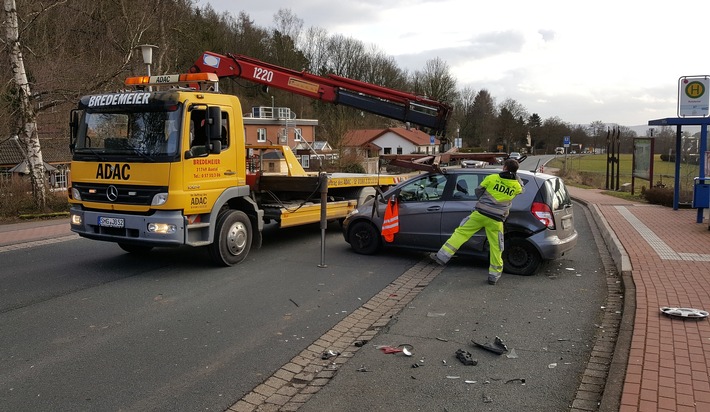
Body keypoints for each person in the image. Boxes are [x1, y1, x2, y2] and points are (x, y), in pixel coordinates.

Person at [430, 158, 524, 285]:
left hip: (480, 214)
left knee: (461, 233)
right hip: (496, 219)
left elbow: (478, 190)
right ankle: (493, 276)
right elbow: (522, 189)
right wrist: (515, 175)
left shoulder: (492, 178)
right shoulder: (516, 186)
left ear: (504, 167)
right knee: (496, 246)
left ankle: (442, 257)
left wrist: (484, 200)